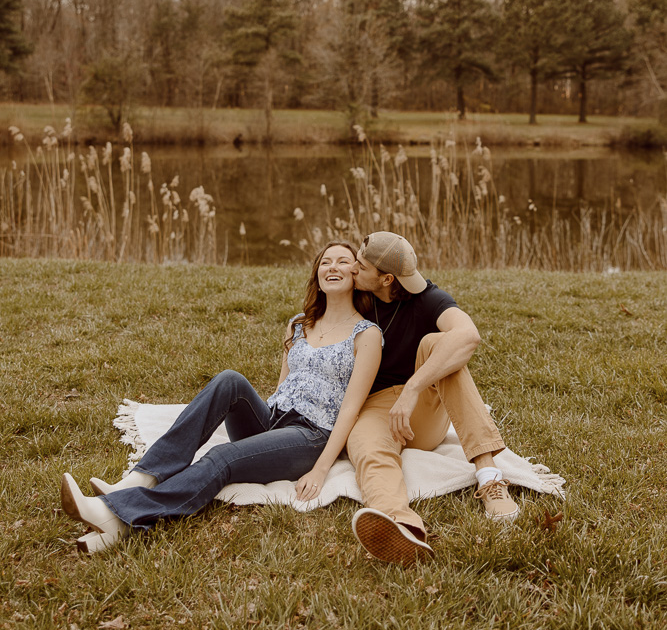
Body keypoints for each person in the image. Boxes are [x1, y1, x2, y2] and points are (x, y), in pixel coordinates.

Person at [60, 243, 383, 553]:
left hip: (310, 436)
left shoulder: (366, 334)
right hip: (274, 420)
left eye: (343, 261)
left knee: (223, 456)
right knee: (230, 379)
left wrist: (321, 468)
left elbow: (351, 409)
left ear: (356, 274)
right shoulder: (298, 325)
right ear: (317, 274)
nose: (333, 267)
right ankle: (140, 478)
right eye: (326, 261)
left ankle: (118, 515)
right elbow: (283, 385)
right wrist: (263, 428)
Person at [347, 231, 518, 566]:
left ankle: (490, 478)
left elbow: (469, 335)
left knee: (440, 345)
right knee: (368, 450)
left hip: (421, 408)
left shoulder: (427, 298)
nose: (353, 269)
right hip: (376, 409)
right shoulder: (356, 297)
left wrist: (412, 389)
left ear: (386, 279)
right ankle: (401, 524)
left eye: (361, 266)